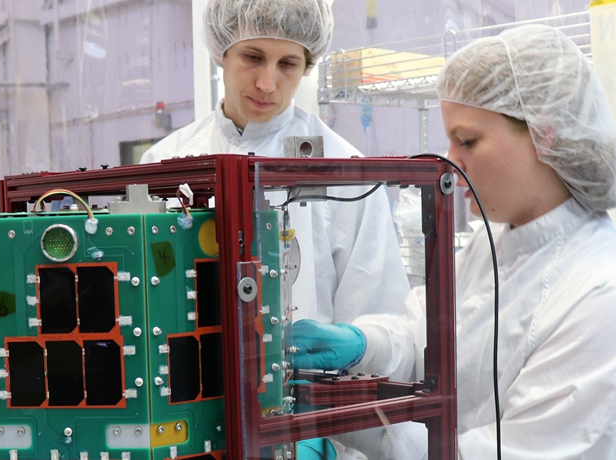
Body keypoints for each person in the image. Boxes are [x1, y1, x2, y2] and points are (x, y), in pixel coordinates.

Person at [297, 24, 616, 459]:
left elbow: (506, 452)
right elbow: (427, 337)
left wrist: (360, 430)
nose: (451, 160)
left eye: (467, 140)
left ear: (544, 136)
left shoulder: (599, 293)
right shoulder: (494, 243)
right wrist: (362, 344)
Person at [141, 1, 415, 458]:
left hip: (310, 428)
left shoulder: (346, 172)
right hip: (187, 427)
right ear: (221, 51)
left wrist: (326, 437)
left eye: (287, 63)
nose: (267, 83)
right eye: (253, 57)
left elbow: (380, 326)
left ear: (307, 66)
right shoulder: (165, 164)